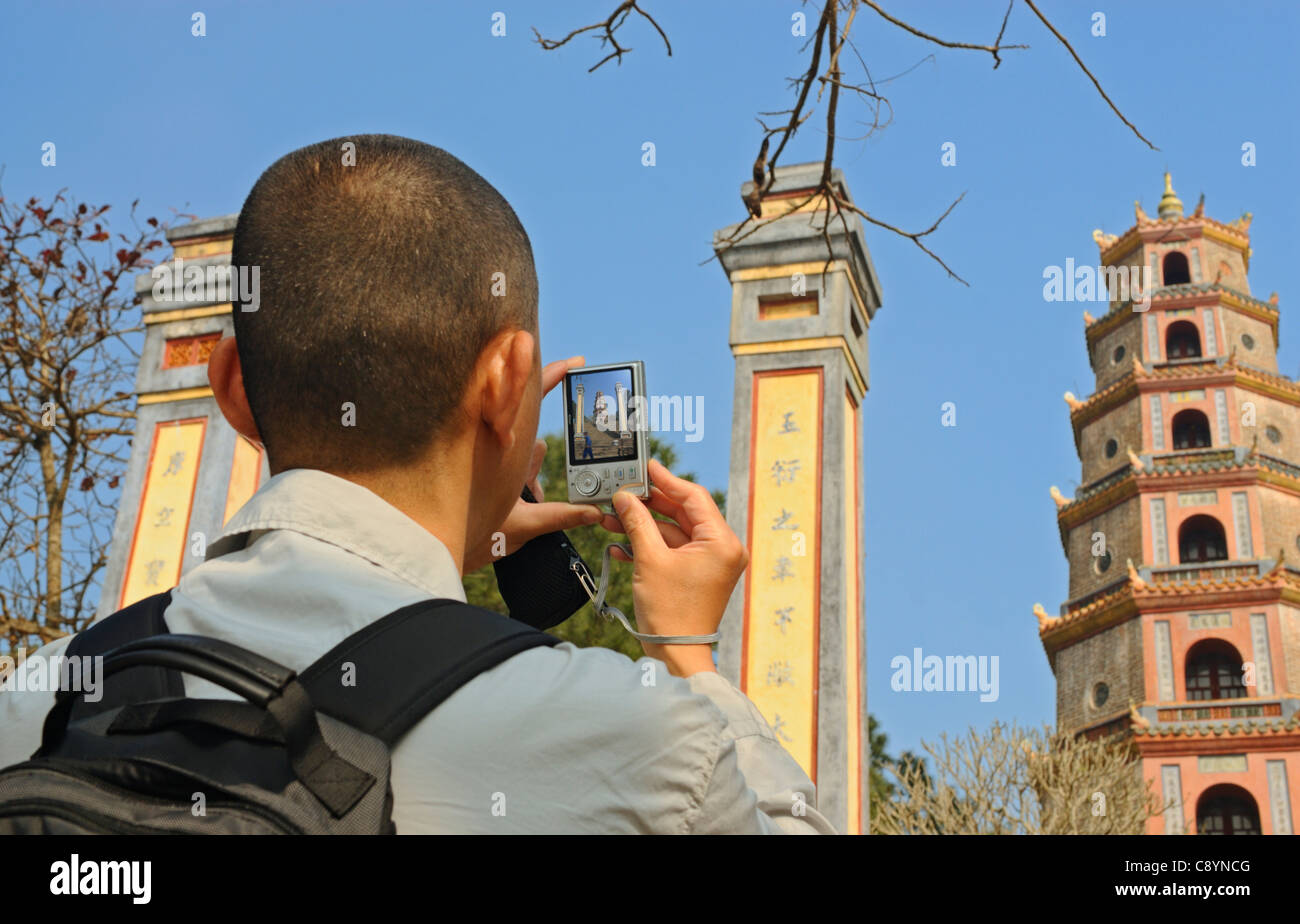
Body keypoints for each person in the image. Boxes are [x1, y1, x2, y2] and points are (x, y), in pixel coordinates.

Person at [0, 135, 835, 834]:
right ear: (510, 383)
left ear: (231, 389)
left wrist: (460, 529)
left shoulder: (39, 702)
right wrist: (686, 656)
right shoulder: (640, 743)